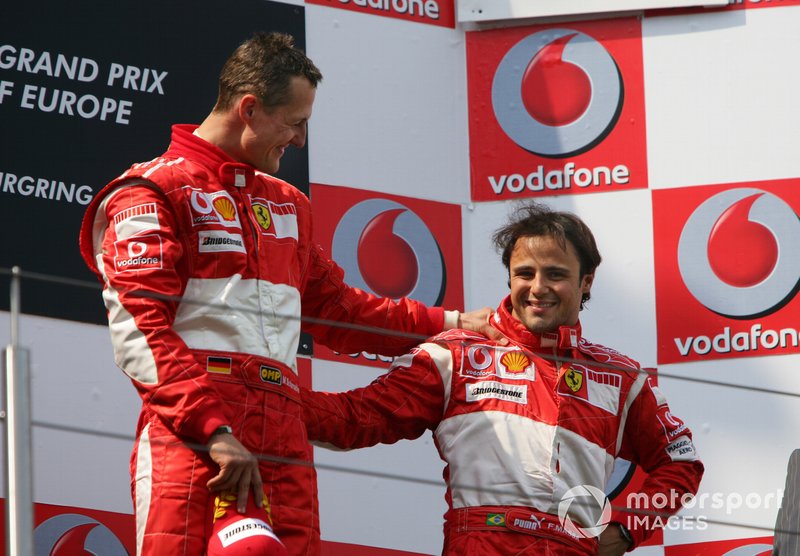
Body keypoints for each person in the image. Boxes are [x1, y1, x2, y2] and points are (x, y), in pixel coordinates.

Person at [79, 32, 492, 556]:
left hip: (285, 430)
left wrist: (454, 322)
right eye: (295, 123)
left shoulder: (288, 204)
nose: (299, 140)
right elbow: (141, 332)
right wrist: (214, 429)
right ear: (249, 109)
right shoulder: (151, 190)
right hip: (196, 431)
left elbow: (343, 312)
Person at [302, 202, 705, 555]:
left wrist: (625, 531)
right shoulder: (456, 354)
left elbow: (681, 463)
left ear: (586, 282)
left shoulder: (619, 377)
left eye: (555, 274)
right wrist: (264, 394)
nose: (537, 288)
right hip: (482, 544)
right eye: (524, 273)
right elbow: (353, 419)